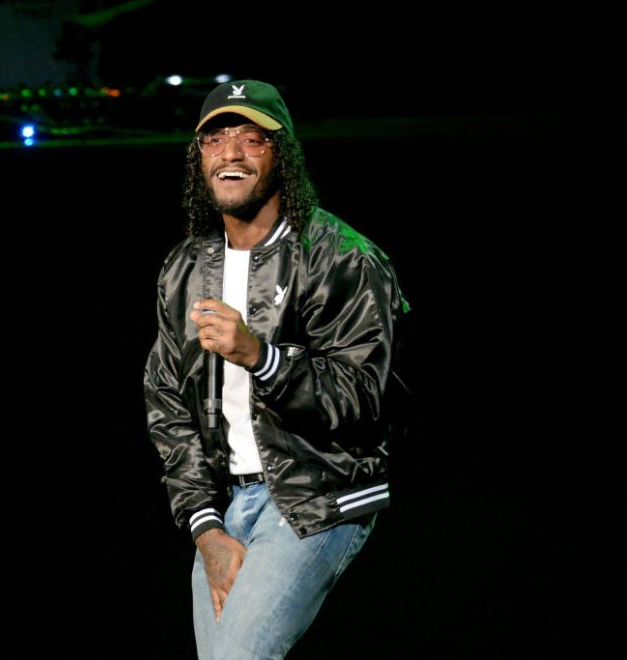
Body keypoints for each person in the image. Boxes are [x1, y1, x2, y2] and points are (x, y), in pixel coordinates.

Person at [143, 79, 409, 659]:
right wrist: (206, 527)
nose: (231, 153)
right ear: (200, 157)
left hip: (318, 496)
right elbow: (166, 403)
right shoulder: (185, 266)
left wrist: (261, 357)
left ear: (280, 154)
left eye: (252, 139)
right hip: (224, 506)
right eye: (216, 139)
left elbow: (366, 395)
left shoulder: (343, 256)